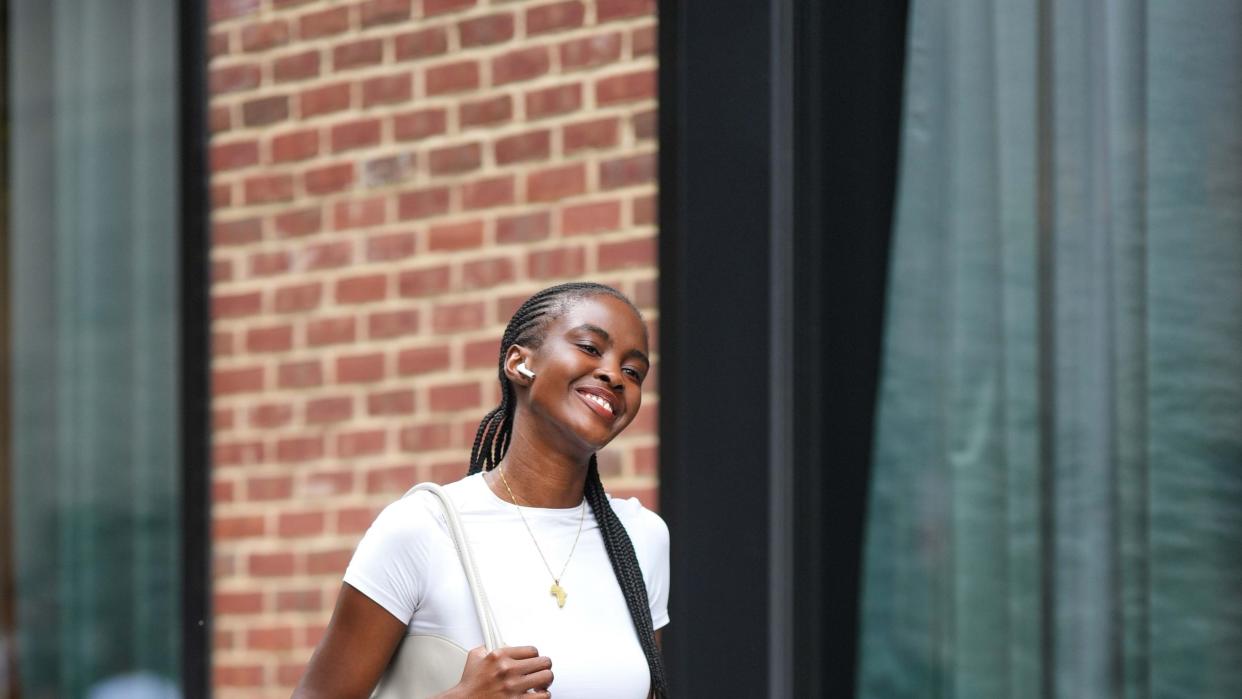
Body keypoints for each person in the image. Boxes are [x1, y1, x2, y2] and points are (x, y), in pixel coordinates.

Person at [293, 282, 670, 699]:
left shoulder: (640, 538)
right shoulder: (423, 528)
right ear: (519, 363)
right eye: (589, 347)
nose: (614, 375)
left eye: (633, 372)